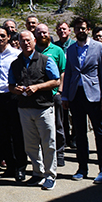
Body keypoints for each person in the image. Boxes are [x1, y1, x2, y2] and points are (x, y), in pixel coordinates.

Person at [62, 17, 102, 185]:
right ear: (74, 31)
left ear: (88, 29)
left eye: (83, 28)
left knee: (99, 133)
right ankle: (82, 168)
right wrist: (65, 96)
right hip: (76, 96)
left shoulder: (99, 48)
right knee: (80, 134)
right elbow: (68, 73)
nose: (80, 31)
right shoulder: (71, 50)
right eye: (77, 28)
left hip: (95, 96)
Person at [9, 31, 61, 191]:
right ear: (18, 43)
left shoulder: (46, 60)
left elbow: (56, 81)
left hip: (43, 107)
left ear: (34, 41)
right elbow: (10, 85)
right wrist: (16, 90)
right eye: (22, 41)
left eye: (28, 40)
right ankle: (37, 173)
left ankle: (50, 175)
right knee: (31, 145)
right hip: (24, 108)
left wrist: (38, 87)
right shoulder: (15, 63)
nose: (25, 43)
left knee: (48, 143)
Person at [0, 26, 25, 182]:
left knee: (16, 134)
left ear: (9, 37)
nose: (0, 39)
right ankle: (10, 166)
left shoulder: (17, 55)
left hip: (13, 96)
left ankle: (20, 167)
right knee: (2, 134)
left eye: (3, 36)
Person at [33, 23, 68, 167]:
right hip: (37, 96)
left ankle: (59, 154)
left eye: (45, 32)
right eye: (39, 33)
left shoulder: (57, 50)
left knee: (58, 126)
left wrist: (60, 91)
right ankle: (42, 156)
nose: (42, 35)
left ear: (49, 33)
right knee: (39, 128)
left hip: (54, 94)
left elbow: (63, 72)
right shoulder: (31, 50)